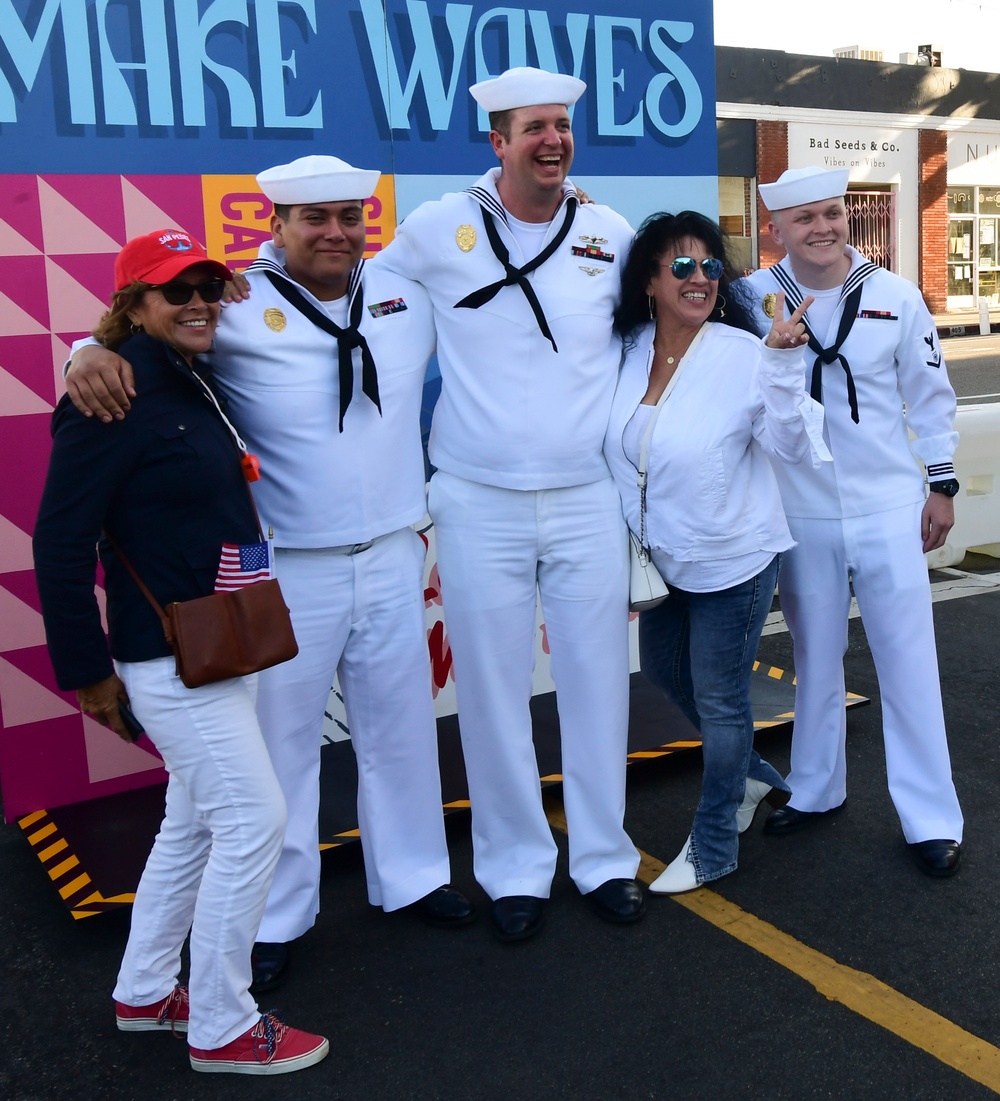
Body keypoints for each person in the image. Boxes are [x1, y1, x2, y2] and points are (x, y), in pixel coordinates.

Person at [64, 156, 474, 993]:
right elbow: (145, 342)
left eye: (349, 217)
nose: (335, 232)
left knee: (400, 729)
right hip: (287, 567)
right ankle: (280, 914)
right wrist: (80, 353)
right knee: (283, 750)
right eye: (313, 218)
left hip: (397, 550)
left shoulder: (406, 293)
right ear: (277, 225)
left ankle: (415, 876)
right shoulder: (237, 306)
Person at [33, 230, 328, 1074]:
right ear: (135, 304)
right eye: (175, 290)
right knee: (253, 819)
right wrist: (86, 672)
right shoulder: (112, 391)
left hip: (214, 645)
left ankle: (145, 988)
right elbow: (59, 544)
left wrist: (92, 343)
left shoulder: (187, 371)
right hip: (164, 654)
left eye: (207, 283)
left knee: (195, 818)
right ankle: (224, 1025)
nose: (198, 300)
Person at [375, 67, 644, 940]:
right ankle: (515, 867)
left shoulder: (609, 228)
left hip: (585, 497)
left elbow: (684, 309)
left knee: (600, 682)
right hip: (475, 499)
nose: (553, 140)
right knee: (491, 691)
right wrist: (91, 346)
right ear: (497, 141)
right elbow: (333, 292)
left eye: (563, 125)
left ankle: (604, 855)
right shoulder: (435, 227)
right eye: (533, 127)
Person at [743, 166, 964, 876]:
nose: (824, 227)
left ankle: (931, 817)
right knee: (814, 657)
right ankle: (814, 788)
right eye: (804, 218)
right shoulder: (751, 299)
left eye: (833, 213)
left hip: (887, 506)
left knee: (908, 663)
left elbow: (930, 398)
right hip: (801, 509)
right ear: (776, 228)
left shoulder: (895, 295)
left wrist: (941, 485)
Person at [604, 210, 828, 892]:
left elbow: (793, 444)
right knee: (670, 675)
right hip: (665, 559)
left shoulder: (744, 351)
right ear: (649, 280)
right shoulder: (630, 346)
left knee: (724, 701)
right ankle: (754, 778)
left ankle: (713, 845)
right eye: (681, 267)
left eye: (709, 266)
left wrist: (786, 363)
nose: (699, 278)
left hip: (737, 558)